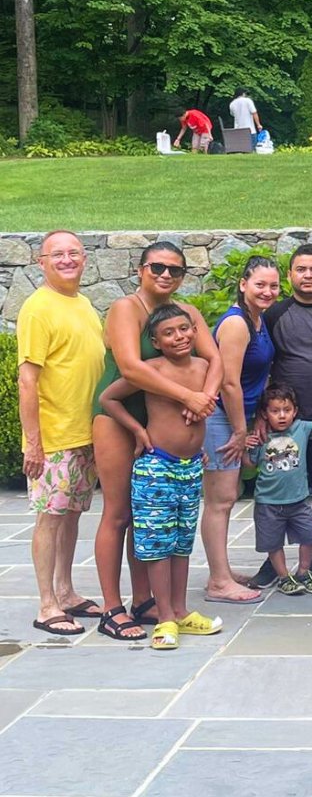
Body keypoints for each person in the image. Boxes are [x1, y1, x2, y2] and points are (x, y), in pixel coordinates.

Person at [92, 241, 221, 639]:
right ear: (141, 269)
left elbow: (214, 360)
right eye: (158, 267)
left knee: (154, 520)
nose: (166, 275)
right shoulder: (125, 309)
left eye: (175, 270)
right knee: (120, 514)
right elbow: (130, 366)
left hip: (169, 424)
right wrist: (187, 397)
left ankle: (147, 600)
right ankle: (112, 608)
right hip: (123, 417)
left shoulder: (187, 313)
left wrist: (205, 401)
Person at [246, 245, 312, 592]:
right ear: (290, 274)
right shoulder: (274, 313)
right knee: (277, 492)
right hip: (283, 424)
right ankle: (273, 561)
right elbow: (261, 364)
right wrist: (261, 414)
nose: (308, 275)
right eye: (301, 269)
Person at [18, 231, 105, 637]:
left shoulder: (83, 304)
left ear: (85, 259)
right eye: (58, 254)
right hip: (53, 438)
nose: (67, 260)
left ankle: (67, 592)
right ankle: (47, 604)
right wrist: (33, 443)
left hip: (83, 432)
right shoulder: (38, 309)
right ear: (41, 262)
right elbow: (27, 380)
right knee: (50, 519)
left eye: (74, 253)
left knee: (71, 516)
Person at [202, 254, 280, 604]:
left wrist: (256, 417)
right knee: (220, 500)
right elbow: (229, 384)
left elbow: (257, 378)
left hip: (236, 417)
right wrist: (238, 432)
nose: (267, 291)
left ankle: (223, 570)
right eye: (260, 284)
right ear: (243, 284)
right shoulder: (236, 324)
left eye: (274, 285)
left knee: (227, 496)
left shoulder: (258, 320)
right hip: (220, 417)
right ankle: (218, 582)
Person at [244, 384, 312, 596]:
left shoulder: (302, 428)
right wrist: (245, 445)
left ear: (295, 411)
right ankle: (283, 576)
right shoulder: (261, 437)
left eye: (287, 410)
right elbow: (249, 465)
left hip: (299, 501)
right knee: (273, 542)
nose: (281, 416)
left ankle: (304, 571)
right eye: (275, 411)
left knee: (310, 536)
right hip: (268, 502)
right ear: (264, 413)